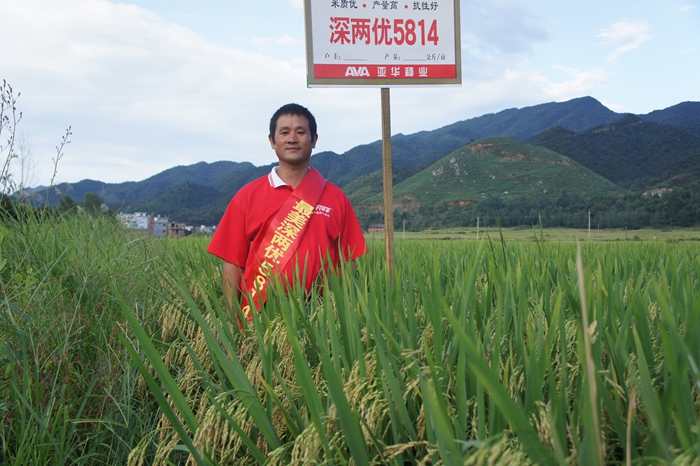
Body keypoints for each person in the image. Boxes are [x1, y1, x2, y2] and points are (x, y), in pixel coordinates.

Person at [207, 103, 367, 321]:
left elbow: (348, 263)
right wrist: (232, 322)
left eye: (300, 132)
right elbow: (232, 264)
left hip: (321, 318)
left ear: (314, 140)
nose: (292, 138)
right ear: (272, 141)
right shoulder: (247, 196)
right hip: (260, 317)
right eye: (284, 132)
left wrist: (341, 317)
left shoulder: (336, 198)